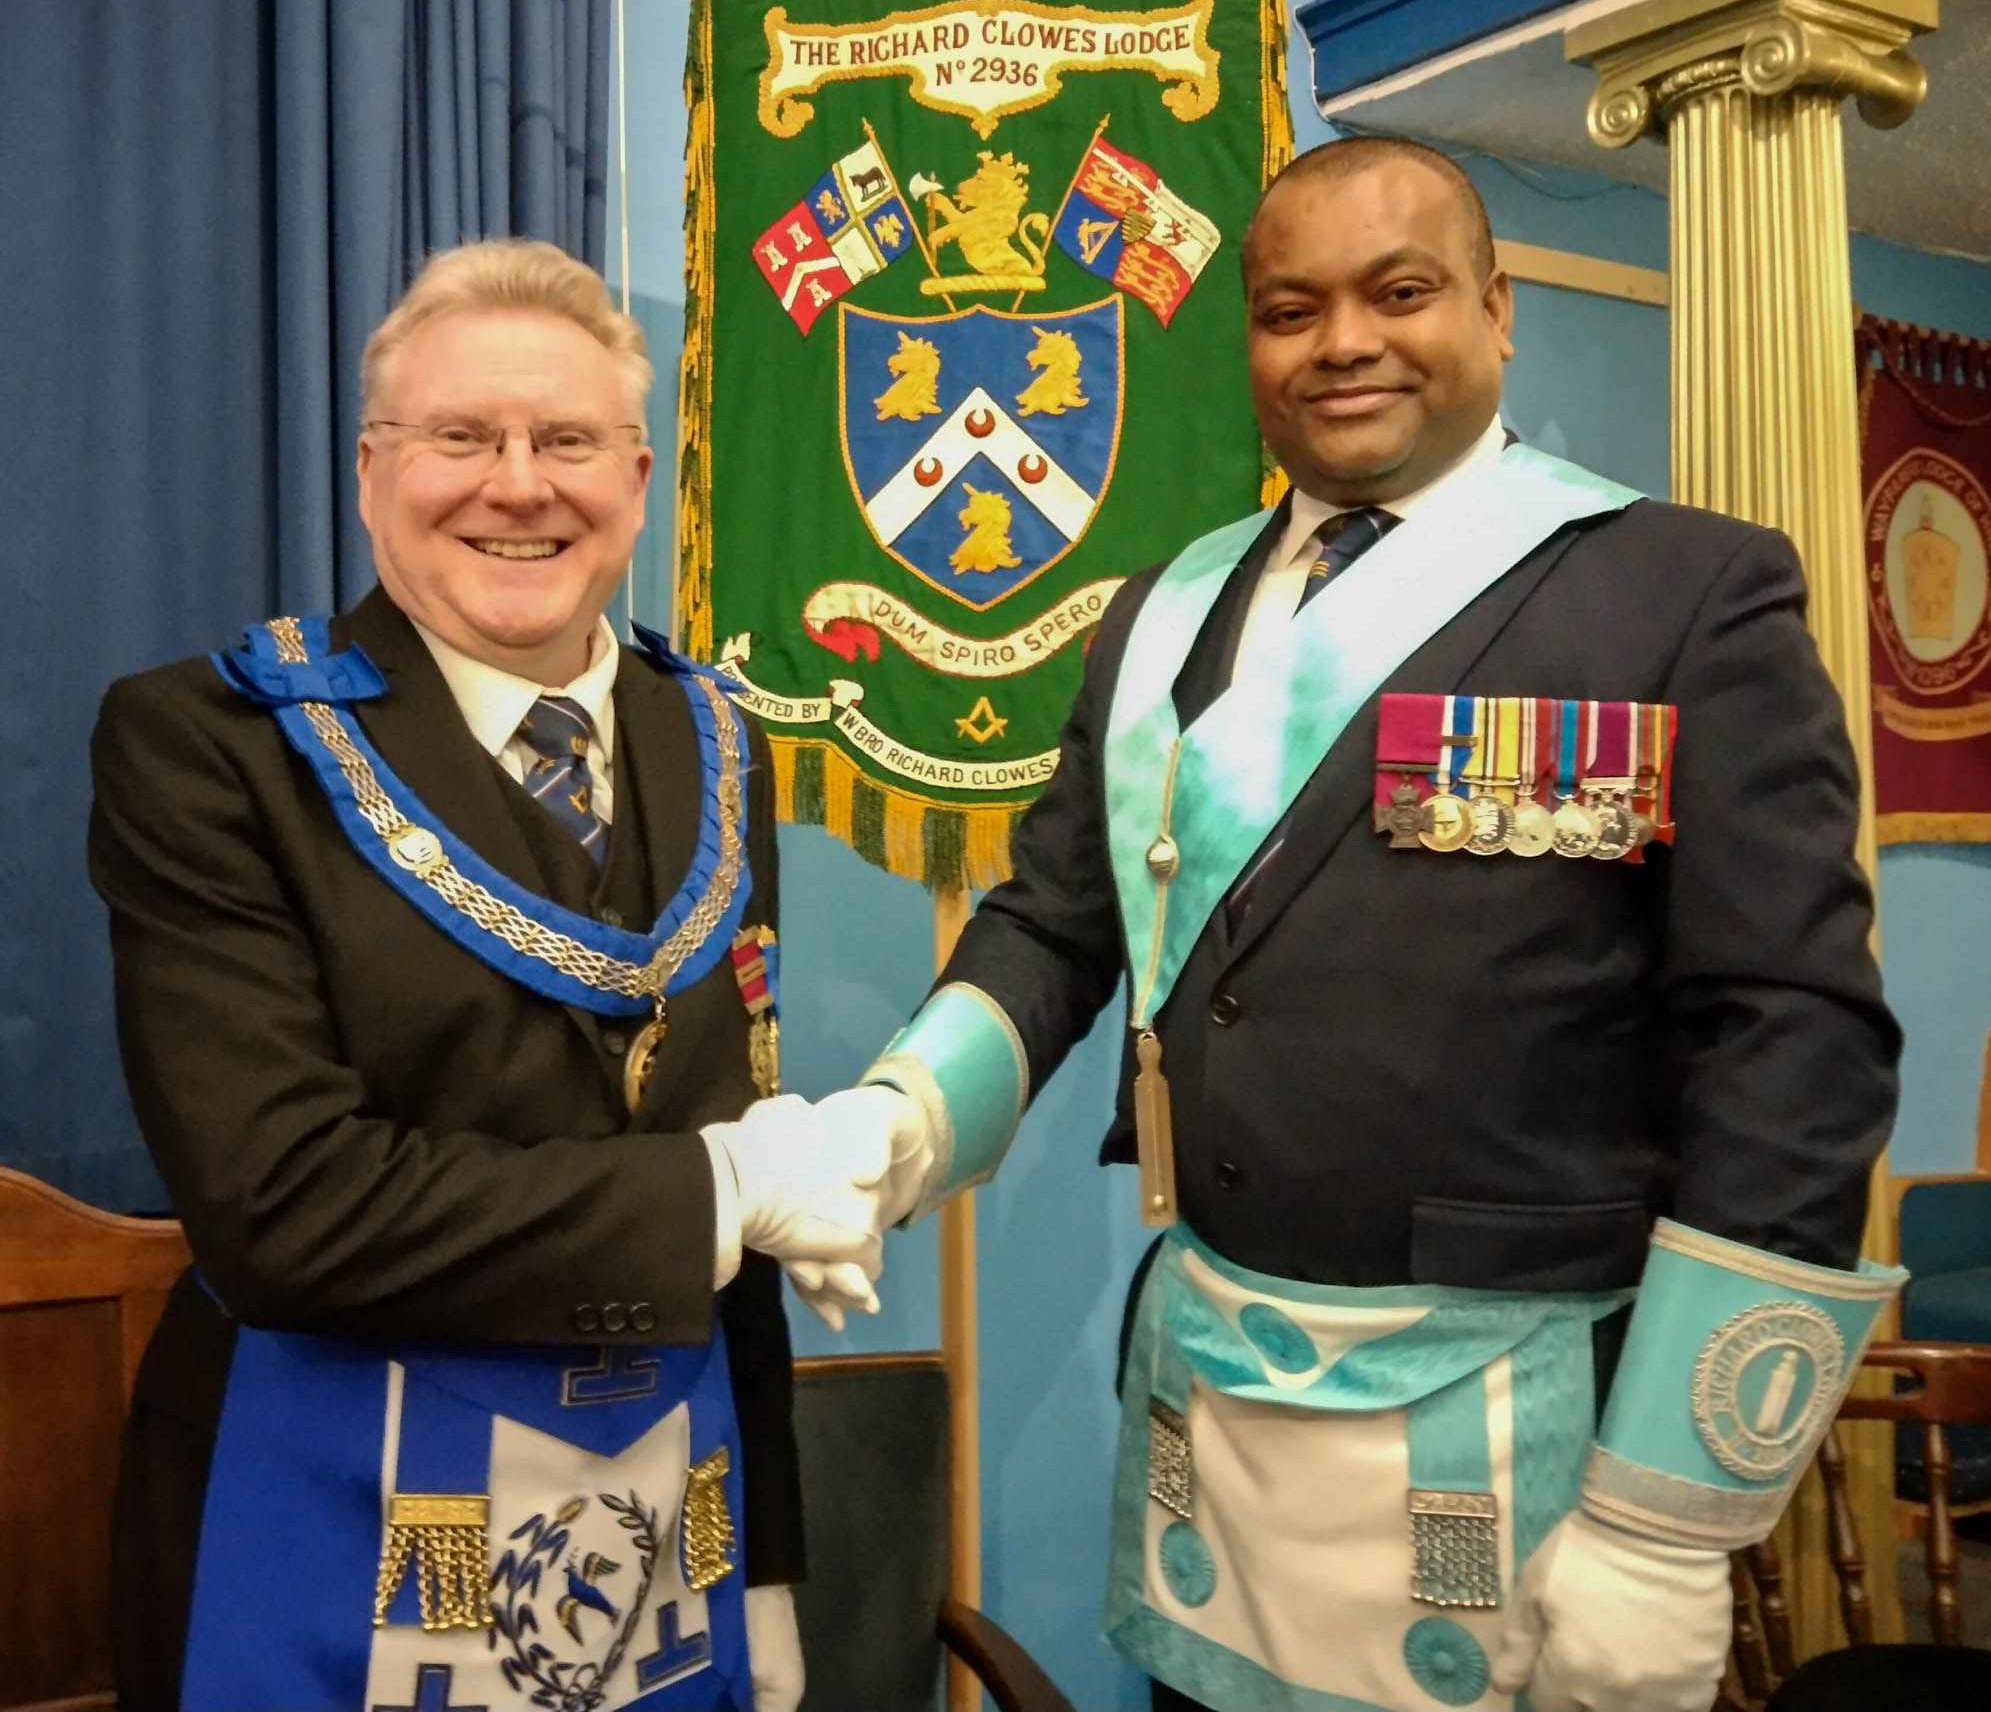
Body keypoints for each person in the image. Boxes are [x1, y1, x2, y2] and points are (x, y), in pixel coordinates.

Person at [818, 139, 1906, 1712]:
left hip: (1529, 1421)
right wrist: (903, 1119)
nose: (1343, 341)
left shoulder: (1681, 591)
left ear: (1496, 306)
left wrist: (1672, 1513)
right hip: (1220, 1383)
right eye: (1289, 307)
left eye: (1400, 292)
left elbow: (1792, 1041)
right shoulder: (1158, 610)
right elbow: (1059, 924)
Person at [89, 239, 891, 1712]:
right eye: (461, 436)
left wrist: (769, 1555)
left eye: (567, 440)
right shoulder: (214, 746)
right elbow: (285, 1209)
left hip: (665, 1516)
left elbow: (735, 1128)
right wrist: (722, 1191)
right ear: (371, 470)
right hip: (331, 1513)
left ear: (637, 479)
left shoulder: (714, 738)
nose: (517, 484)